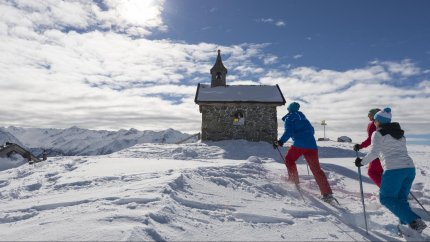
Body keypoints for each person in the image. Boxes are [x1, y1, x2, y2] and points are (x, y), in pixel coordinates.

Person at [355, 108, 427, 233]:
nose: (374, 122)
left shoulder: (378, 133)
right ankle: (408, 229)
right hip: (409, 169)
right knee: (401, 199)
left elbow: (374, 152)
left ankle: (414, 221)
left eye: (375, 120)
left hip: (394, 169)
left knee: (386, 198)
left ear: (379, 121)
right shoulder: (400, 133)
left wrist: (361, 162)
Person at [274, 102, 335, 203]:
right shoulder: (304, 119)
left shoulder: (290, 118)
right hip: (312, 146)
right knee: (316, 169)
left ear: (289, 109)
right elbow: (312, 130)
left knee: (289, 159)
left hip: (299, 144)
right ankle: (327, 194)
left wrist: (281, 141)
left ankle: (294, 182)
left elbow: (288, 131)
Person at [353, 108, 384, 187]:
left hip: (377, 153)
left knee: (372, 172)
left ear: (374, 115)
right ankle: (394, 190)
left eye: (369, 114)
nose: (368, 116)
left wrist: (360, 146)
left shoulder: (373, 125)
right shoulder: (386, 124)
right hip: (388, 153)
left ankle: (387, 191)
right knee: (383, 172)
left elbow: (370, 139)